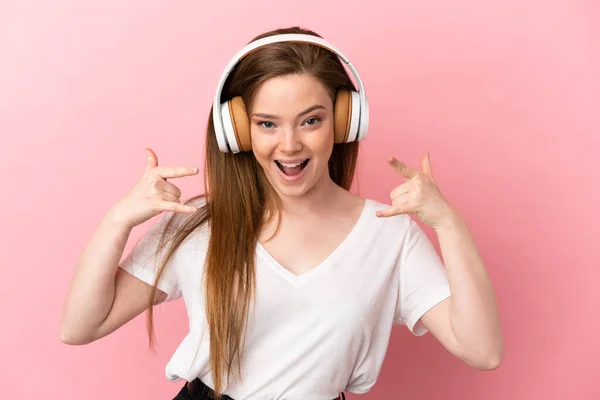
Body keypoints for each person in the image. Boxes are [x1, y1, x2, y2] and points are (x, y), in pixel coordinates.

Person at [59, 26, 503, 400]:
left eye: (311, 120)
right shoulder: (200, 222)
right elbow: (81, 326)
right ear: (239, 131)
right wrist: (119, 219)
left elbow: (482, 351)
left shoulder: (389, 235)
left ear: (344, 121)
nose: (289, 144)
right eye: (267, 123)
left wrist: (448, 222)